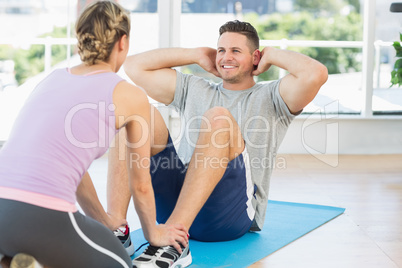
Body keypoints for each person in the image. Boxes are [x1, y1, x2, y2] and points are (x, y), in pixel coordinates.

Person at [106, 20, 328, 268]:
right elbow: (134, 67)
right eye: (221, 50)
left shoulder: (273, 96)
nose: (226, 57)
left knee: (219, 117)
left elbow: (316, 74)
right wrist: (195, 54)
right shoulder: (195, 88)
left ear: (255, 57)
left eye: (235, 51)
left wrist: (271, 55)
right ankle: (117, 229)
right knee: (136, 114)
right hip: (179, 199)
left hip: (229, 215)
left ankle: (174, 242)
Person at [0, 1, 188, 268]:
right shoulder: (129, 95)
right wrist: (153, 233)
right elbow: (141, 184)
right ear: (122, 42)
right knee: (121, 264)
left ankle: (18, 258)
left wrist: (105, 219)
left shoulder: (51, 79)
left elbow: (66, 165)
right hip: (42, 215)